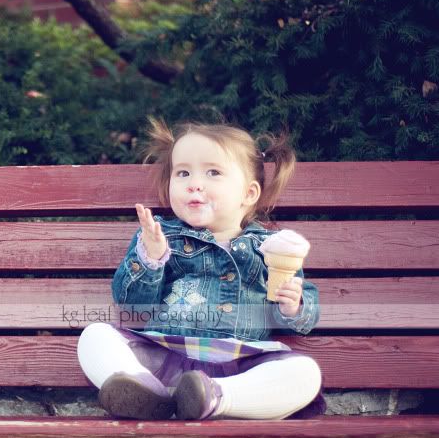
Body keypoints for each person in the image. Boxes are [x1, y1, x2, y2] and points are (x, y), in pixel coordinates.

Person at [77, 121, 324, 421]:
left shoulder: (272, 248)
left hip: (241, 364)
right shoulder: (159, 237)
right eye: (183, 173)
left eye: (213, 172)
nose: (194, 183)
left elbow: (301, 319)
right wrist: (151, 258)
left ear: (248, 194)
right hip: (163, 356)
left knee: (305, 373)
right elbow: (133, 306)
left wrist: (293, 306)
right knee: (94, 335)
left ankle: (214, 399)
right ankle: (145, 393)